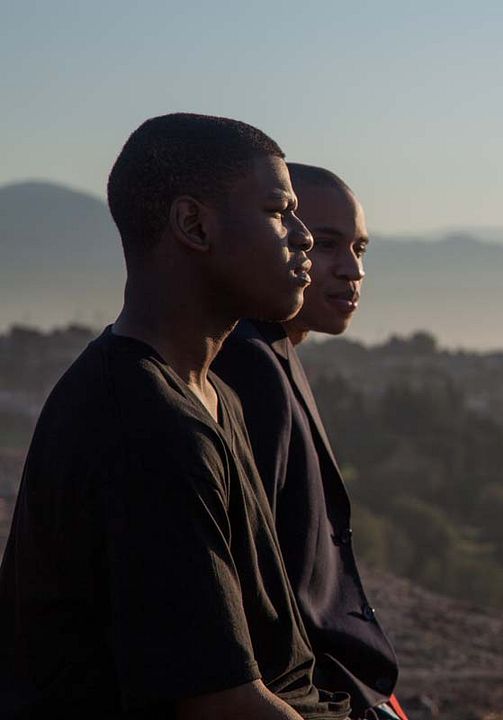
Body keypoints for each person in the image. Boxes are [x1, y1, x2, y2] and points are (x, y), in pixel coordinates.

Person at [0, 114, 351, 720]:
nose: (302, 238)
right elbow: (220, 705)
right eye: (278, 211)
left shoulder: (211, 395)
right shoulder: (142, 423)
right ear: (193, 224)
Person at [213, 164, 405, 720]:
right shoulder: (247, 363)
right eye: (326, 245)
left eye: (361, 249)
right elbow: (259, 585)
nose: (353, 271)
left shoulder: (276, 352)